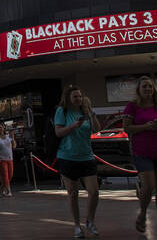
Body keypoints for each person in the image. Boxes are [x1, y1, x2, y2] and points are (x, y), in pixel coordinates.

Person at [123, 76, 157, 235]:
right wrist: (145, 126)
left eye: (150, 87)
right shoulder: (132, 107)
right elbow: (127, 128)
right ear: (139, 90)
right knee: (149, 185)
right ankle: (142, 213)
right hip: (142, 151)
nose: (148, 89)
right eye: (145, 87)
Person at [54, 85, 102, 239]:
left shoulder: (85, 111)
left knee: (94, 192)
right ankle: (76, 225)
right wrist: (74, 125)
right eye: (75, 97)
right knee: (73, 193)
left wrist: (91, 113)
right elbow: (58, 132)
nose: (78, 99)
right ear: (68, 98)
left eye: (80, 96)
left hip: (87, 156)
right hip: (67, 157)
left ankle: (90, 220)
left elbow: (96, 130)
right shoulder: (62, 111)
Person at [0, 124, 15, 196]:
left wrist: (13, 138)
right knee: (5, 175)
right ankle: (9, 191)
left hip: (9, 158)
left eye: (1, 128)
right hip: (1, 159)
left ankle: (2, 188)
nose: (0, 129)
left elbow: (14, 146)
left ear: (4, 129)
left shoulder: (8, 137)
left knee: (10, 175)